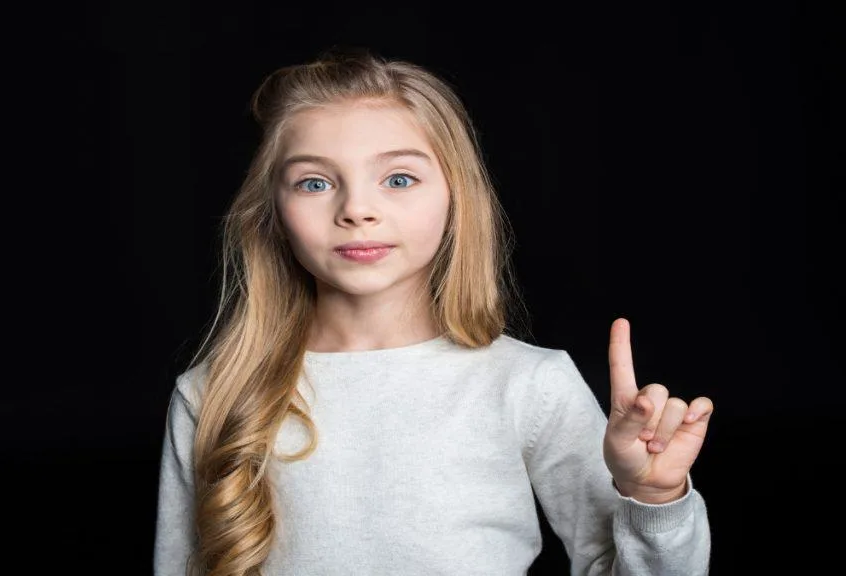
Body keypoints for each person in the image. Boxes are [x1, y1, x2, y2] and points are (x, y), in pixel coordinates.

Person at [154, 46, 714, 576]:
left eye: (399, 178)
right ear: (272, 211)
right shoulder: (212, 395)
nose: (356, 209)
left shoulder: (529, 385)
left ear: (455, 196)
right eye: (315, 182)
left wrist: (654, 499)